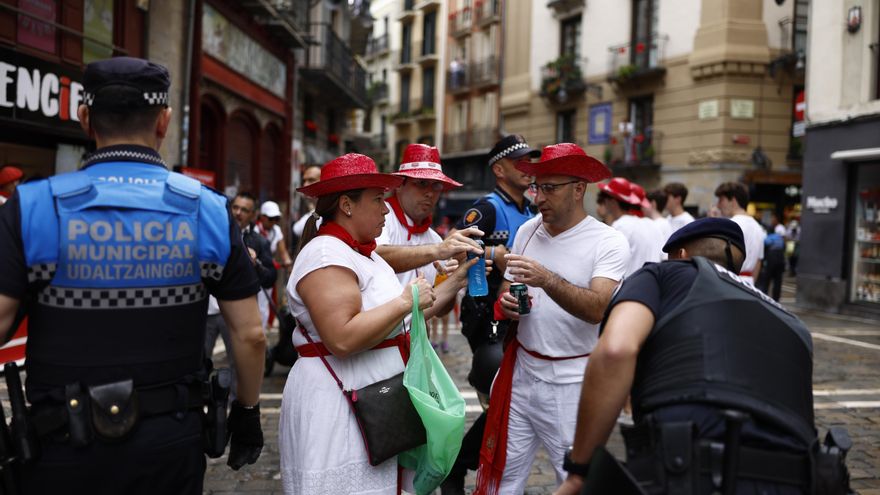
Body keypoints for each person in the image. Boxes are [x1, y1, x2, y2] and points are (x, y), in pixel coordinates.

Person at [0, 57, 266, 493]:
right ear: (163, 121)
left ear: (85, 118)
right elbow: (251, 334)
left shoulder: (32, 206)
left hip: (60, 443)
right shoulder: (208, 209)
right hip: (169, 443)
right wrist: (247, 412)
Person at [556, 218, 844, 495]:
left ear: (681, 254)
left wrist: (580, 470)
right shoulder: (794, 324)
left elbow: (616, 350)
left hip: (687, 468)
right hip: (796, 480)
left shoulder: (661, 274)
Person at [278, 153, 475, 494]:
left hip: (371, 402)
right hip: (340, 405)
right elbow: (342, 337)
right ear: (347, 205)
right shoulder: (326, 253)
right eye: (379, 200)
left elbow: (401, 323)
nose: (386, 209)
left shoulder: (362, 254)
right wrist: (404, 300)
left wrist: (458, 279)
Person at [476, 143, 629, 495]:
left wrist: (547, 279)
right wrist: (507, 302)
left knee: (572, 480)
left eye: (550, 188)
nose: (539, 197)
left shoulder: (608, 241)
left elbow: (597, 308)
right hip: (522, 372)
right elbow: (507, 288)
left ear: (579, 189)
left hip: (572, 384)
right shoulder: (528, 230)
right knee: (502, 477)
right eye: (536, 187)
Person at [442, 134, 541, 494]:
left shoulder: (532, 209)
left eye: (532, 161)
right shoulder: (487, 207)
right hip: (488, 316)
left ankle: (463, 464)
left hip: (522, 315)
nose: (528, 168)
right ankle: (459, 465)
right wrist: (493, 256)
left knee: (511, 399)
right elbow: (455, 249)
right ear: (499, 169)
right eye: (520, 161)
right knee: (506, 394)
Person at [375, 144, 481, 354]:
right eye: (421, 183)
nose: (430, 193)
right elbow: (377, 256)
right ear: (400, 185)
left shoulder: (434, 237)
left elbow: (443, 311)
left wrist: (453, 276)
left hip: (417, 349)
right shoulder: (381, 220)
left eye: (436, 186)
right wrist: (438, 251)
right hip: (378, 344)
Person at [596, 177, 662, 277]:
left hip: (632, 287)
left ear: (612, 202)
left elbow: (610, 264)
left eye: (605, 200)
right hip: (654, 285)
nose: (604, 204)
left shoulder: (620, 226)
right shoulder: (650, 223)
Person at [231, 192, 278, 329]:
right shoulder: (215, 233)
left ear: (253, 215)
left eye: (244, 210)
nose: (238, 213)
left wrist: (255, 264)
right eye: (235, 207)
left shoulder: (259, 241)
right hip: (212, 312)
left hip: (243, 310)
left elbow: (270, 278)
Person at [715, 181, 765, 285]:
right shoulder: (758, 227)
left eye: (721, 200)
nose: (718, 205)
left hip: (730, 282)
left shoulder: (730, 224)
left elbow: (721, 259)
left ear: (733, 201)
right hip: (749, 283)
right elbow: (758, 262)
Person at [257, 200, 293, 269]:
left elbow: (283, 252)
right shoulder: (254, 229)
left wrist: (288, 263)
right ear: (262, 217)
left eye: (276, 219)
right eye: (271, 219)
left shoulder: (276, 230)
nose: (273, 222)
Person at [291, 164, 322, 244]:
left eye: (311, 180)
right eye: (304, 181)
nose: (305, 185)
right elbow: (296, 229)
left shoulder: (327, 211)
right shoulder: (313, 211)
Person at [757, 223, 786, 301]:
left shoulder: (768, 238)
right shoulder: (779, 238)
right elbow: (784, 248)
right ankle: (776, 299)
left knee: (766, 280)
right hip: (780, 260)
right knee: (778, 281)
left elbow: (764, 249)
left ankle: (764, 297)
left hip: (771, 260)